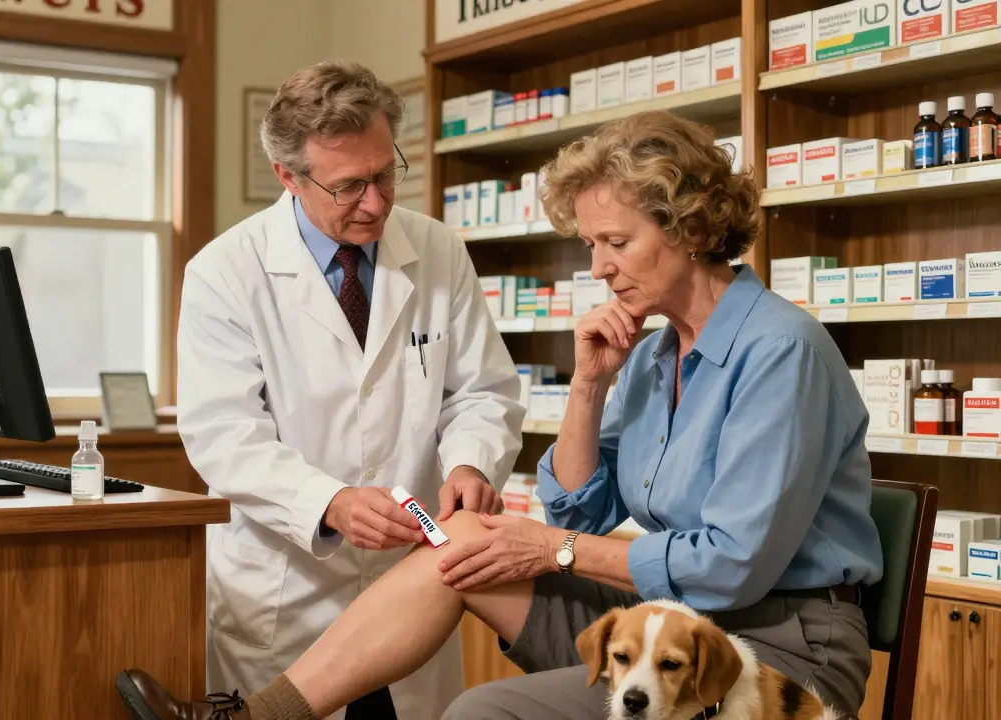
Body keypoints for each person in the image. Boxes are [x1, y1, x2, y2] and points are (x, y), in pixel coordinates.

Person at [117, 109, 885, 720]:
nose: (598, 267)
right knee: (461, 538)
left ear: (687, 227)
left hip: (773, 646)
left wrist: (551, 552)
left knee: (483, 711)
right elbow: (577, 505)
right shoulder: (656, 355)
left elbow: (728, 564)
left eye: (615, 241)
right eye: (591, 243)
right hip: (666, 627)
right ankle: (253, 719)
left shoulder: (780, 349)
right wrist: (586, 388)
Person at [136, 60, 525, 720]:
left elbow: (482, 391)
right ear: (288, 176)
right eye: (348, 187)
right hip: (283, 597)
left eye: (384, 174)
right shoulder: (227, 272)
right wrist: (332, 502)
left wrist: (468, 462)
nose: (374, 203)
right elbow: (222, 434)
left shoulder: (437, 251)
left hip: (410, 586)